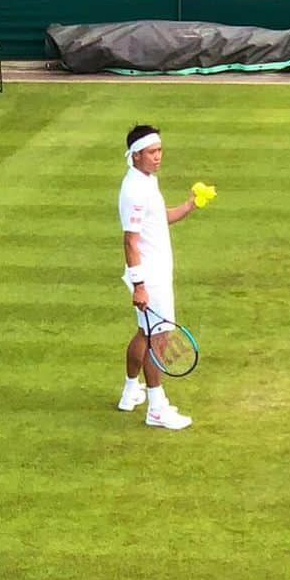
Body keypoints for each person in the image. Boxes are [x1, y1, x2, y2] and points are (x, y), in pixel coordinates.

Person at [118, 124, 201, 431]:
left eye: (160, 151)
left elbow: (160, 216)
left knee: (144, 334)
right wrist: (139, 285)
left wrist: (189, 206)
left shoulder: (145, 181)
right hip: (150, 278)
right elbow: (130, 240)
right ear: (136, 155)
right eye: (152, 152)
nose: (158, 157)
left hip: (152, 275)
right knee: (158, 339)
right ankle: (156, 406)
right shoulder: (136, 191)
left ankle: (130, 392)